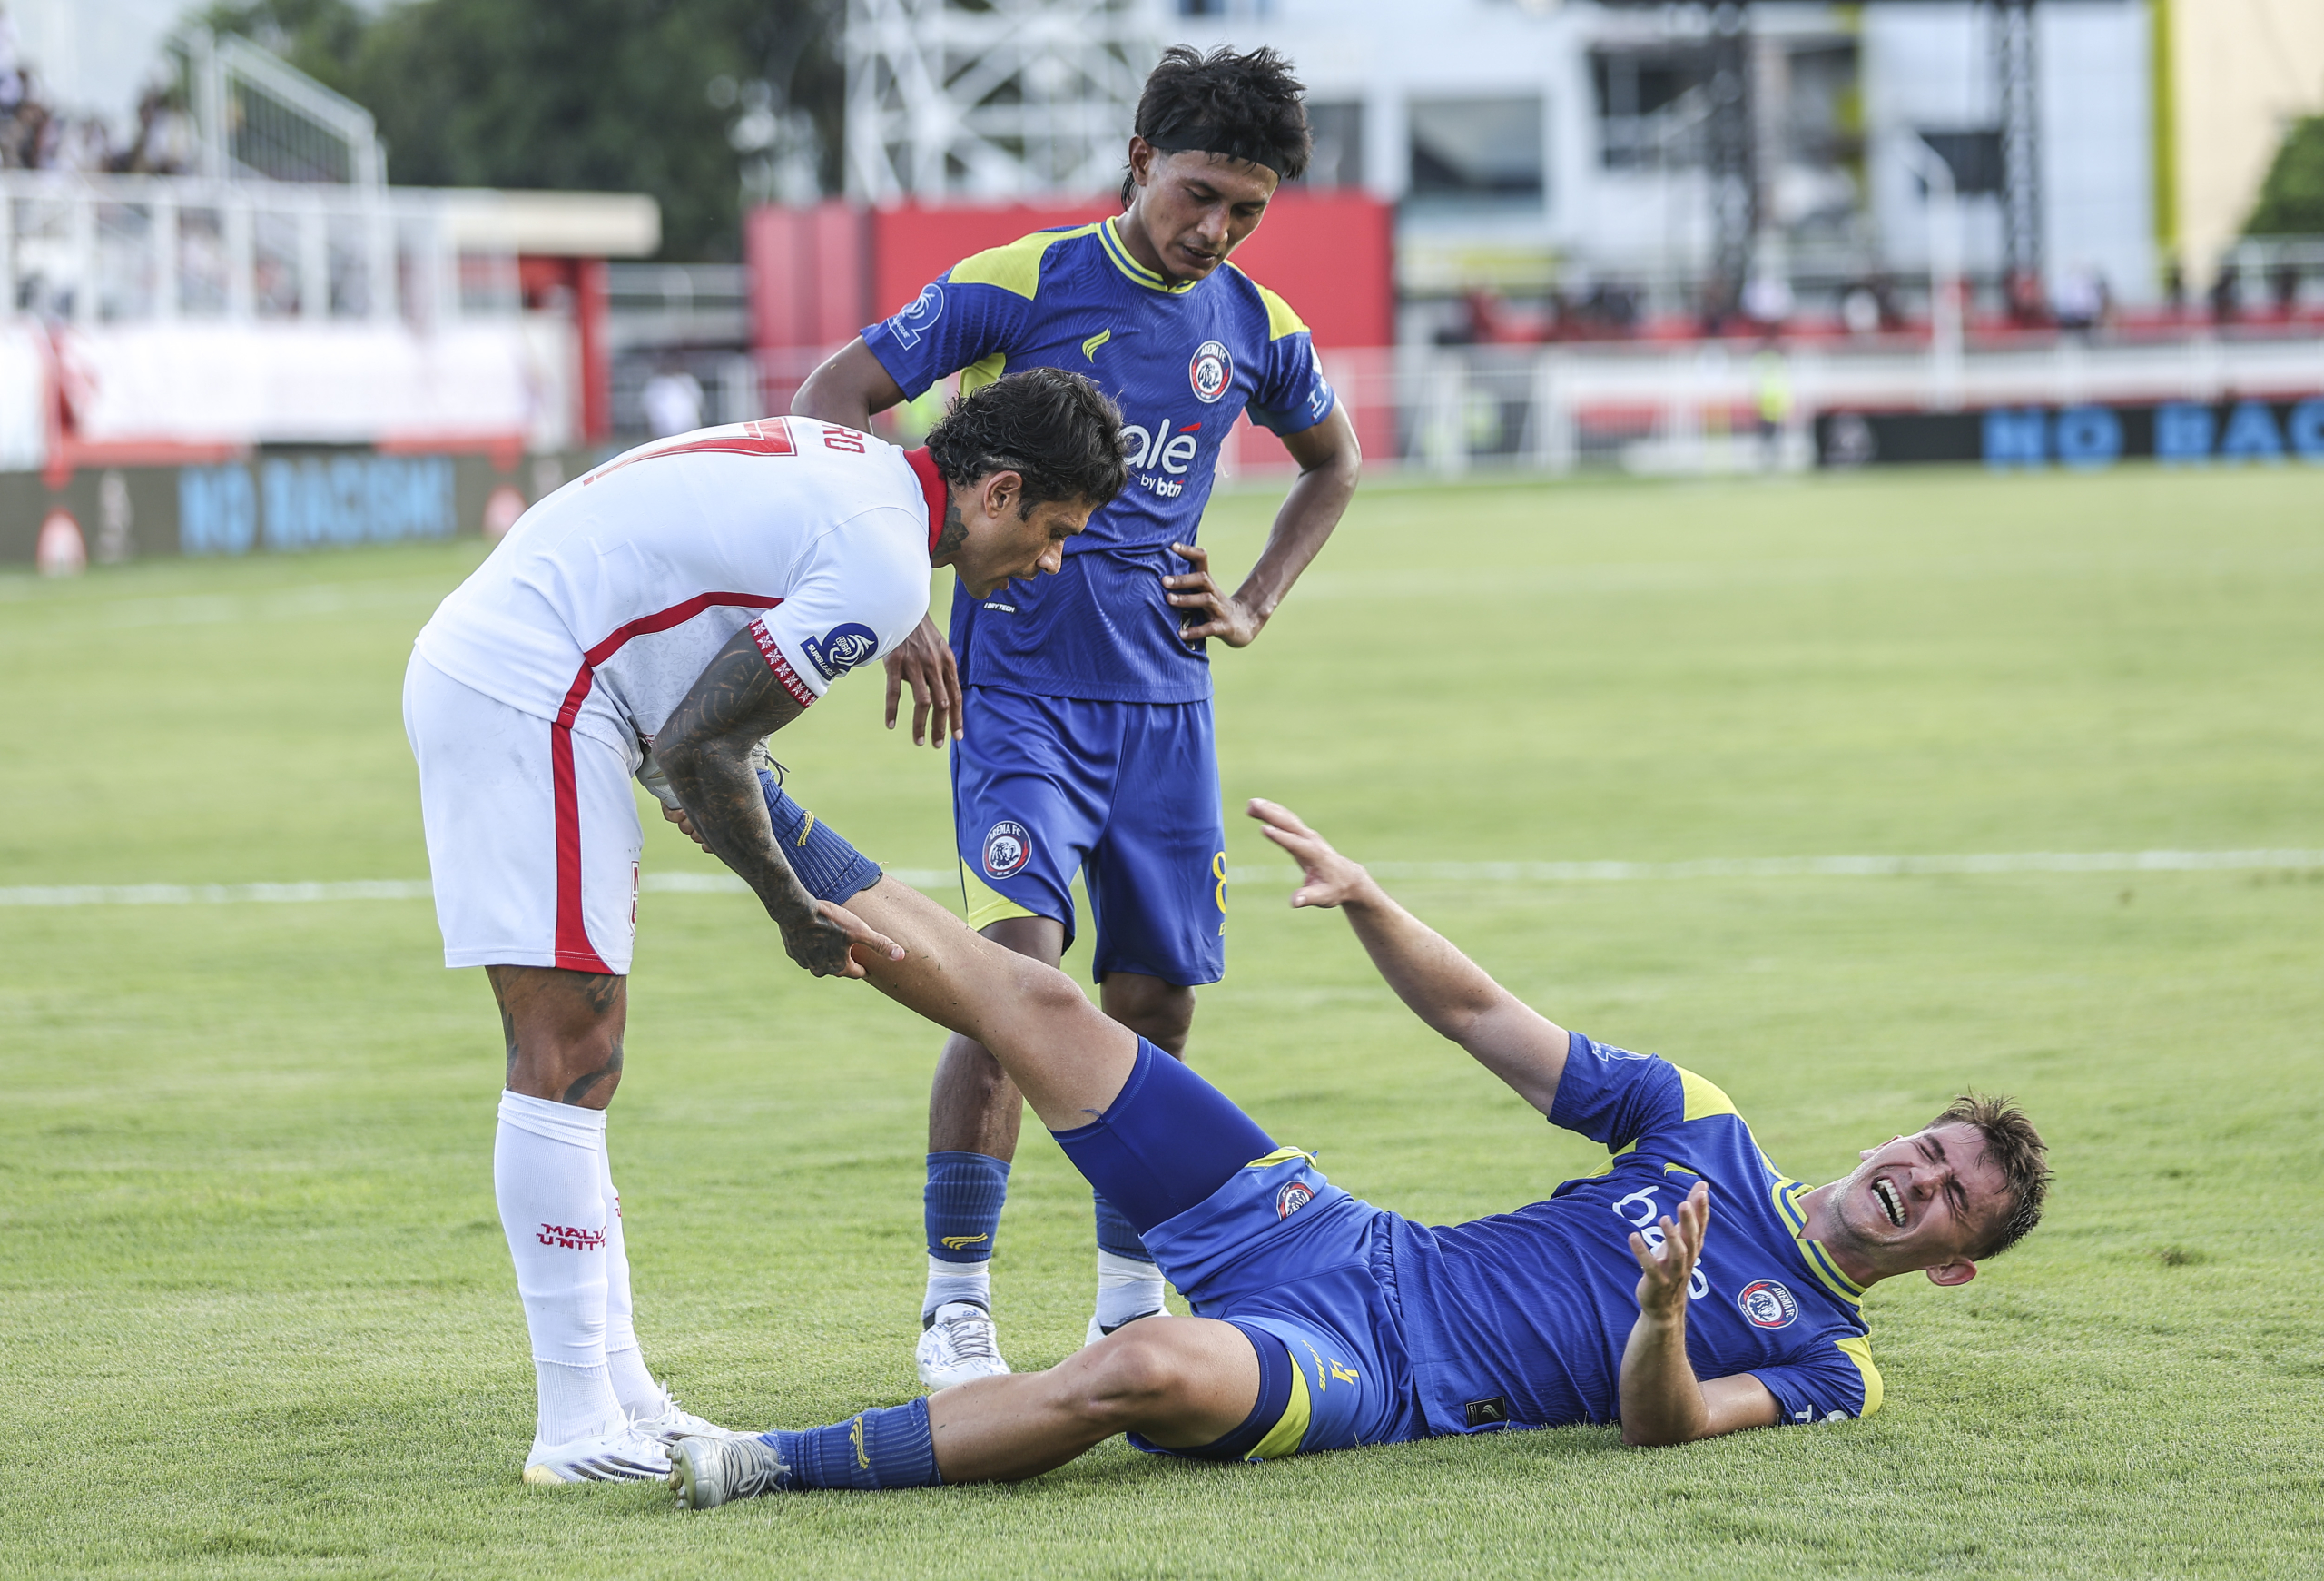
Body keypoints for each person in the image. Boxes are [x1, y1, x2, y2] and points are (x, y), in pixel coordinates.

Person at [662, 797, 2051, 1505]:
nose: (1917, 1181)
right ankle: (749, 804)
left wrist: (1668, 1313)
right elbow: (1480, 1015)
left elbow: (1663, 1425)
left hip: (1372, 1376)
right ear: (1899, 1132)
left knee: (1141, 1367)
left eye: (1948, 1204)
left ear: (1950, 1268)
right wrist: (1374, 899)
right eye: (1929, 1151)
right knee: (1038, 1004)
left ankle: (769, 1462)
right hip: (1329, 1237)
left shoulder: (1832, 1363)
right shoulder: (1702, 1120)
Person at [400, 369, 1127, 1485]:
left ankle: (623, 1395)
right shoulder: (887, 565)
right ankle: (574, 1427)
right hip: (532, 690)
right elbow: (702, 748)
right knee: (566, 1053)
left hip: (552, 683)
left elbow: (689, 707)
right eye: (1053, 530)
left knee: (589, 1063)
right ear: (999, 491)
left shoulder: (859, 479)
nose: (1049, 560)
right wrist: (793, 910)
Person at [791, 43, 1363, 1389]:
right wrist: (896, 587)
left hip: (1168, 711)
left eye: (1247, 210)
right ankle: (955, 1303)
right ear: (1141, 161)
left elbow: (1332, 464)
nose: (1215, 228)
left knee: (1151, 1003)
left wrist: (1260, 596)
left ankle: (1124, 1298)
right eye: (1201, 193)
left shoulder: (1258, 326)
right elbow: (833, 399)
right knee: (1014, 982)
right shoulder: (1027, 279)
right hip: (1024, 701)